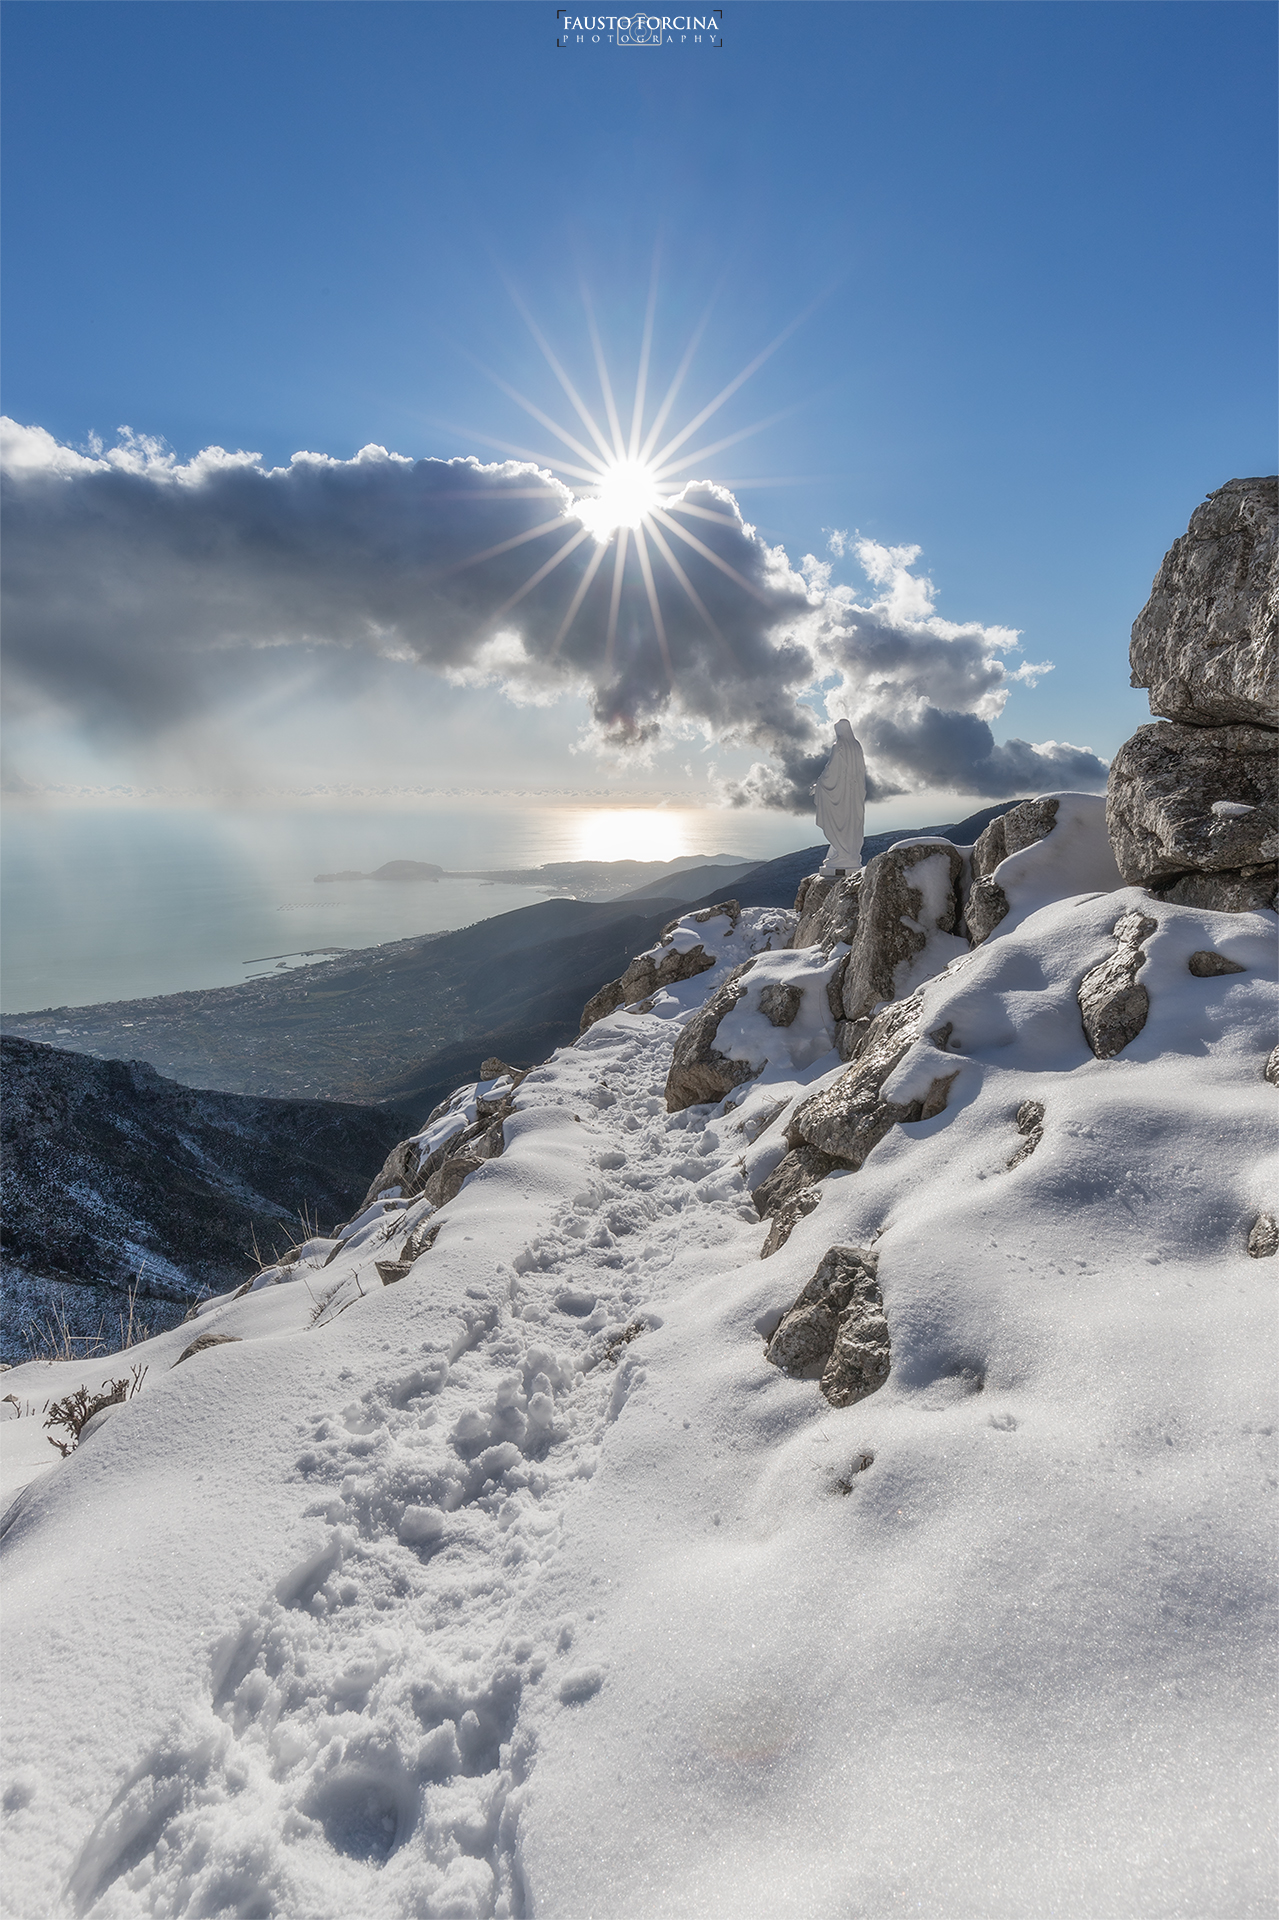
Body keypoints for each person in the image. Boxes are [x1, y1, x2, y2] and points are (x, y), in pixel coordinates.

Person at [814, 717, 866, 874]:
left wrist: (819, 785)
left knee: (839, 822)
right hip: (854, 795)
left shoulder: (839, 746)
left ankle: (843, 854)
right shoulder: (857, 746)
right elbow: (861, 772)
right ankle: (850, 854)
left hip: (841, 795)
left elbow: (831, 770)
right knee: (852, 823)